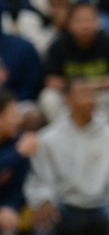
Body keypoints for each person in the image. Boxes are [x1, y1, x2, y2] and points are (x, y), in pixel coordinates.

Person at [24, 77, 109, 235]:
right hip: (63, 204)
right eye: (83, 93)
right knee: (44, 221)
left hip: (103, 204)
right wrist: (44, 199)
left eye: (93, 93)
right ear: (68, 99)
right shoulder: (48, 138)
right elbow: (39, 179)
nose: (90, 99)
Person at [39, 1, 109, 122]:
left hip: (99, 97)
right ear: (69, 24)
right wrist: (80, 89)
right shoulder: (58, 45)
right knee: (48, 97)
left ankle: (104, 133)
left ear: (98, 22)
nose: (86, 26)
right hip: (69, 97)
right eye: (80, 21)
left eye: (90, 20)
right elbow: (50, 81)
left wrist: (87, 87)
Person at [0, 89, 38, 235]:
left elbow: (18, 188)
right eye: (14, 115)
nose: (19, 120)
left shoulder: (19, 141)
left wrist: (10, 207)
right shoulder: (20, 149)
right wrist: (17, 154)